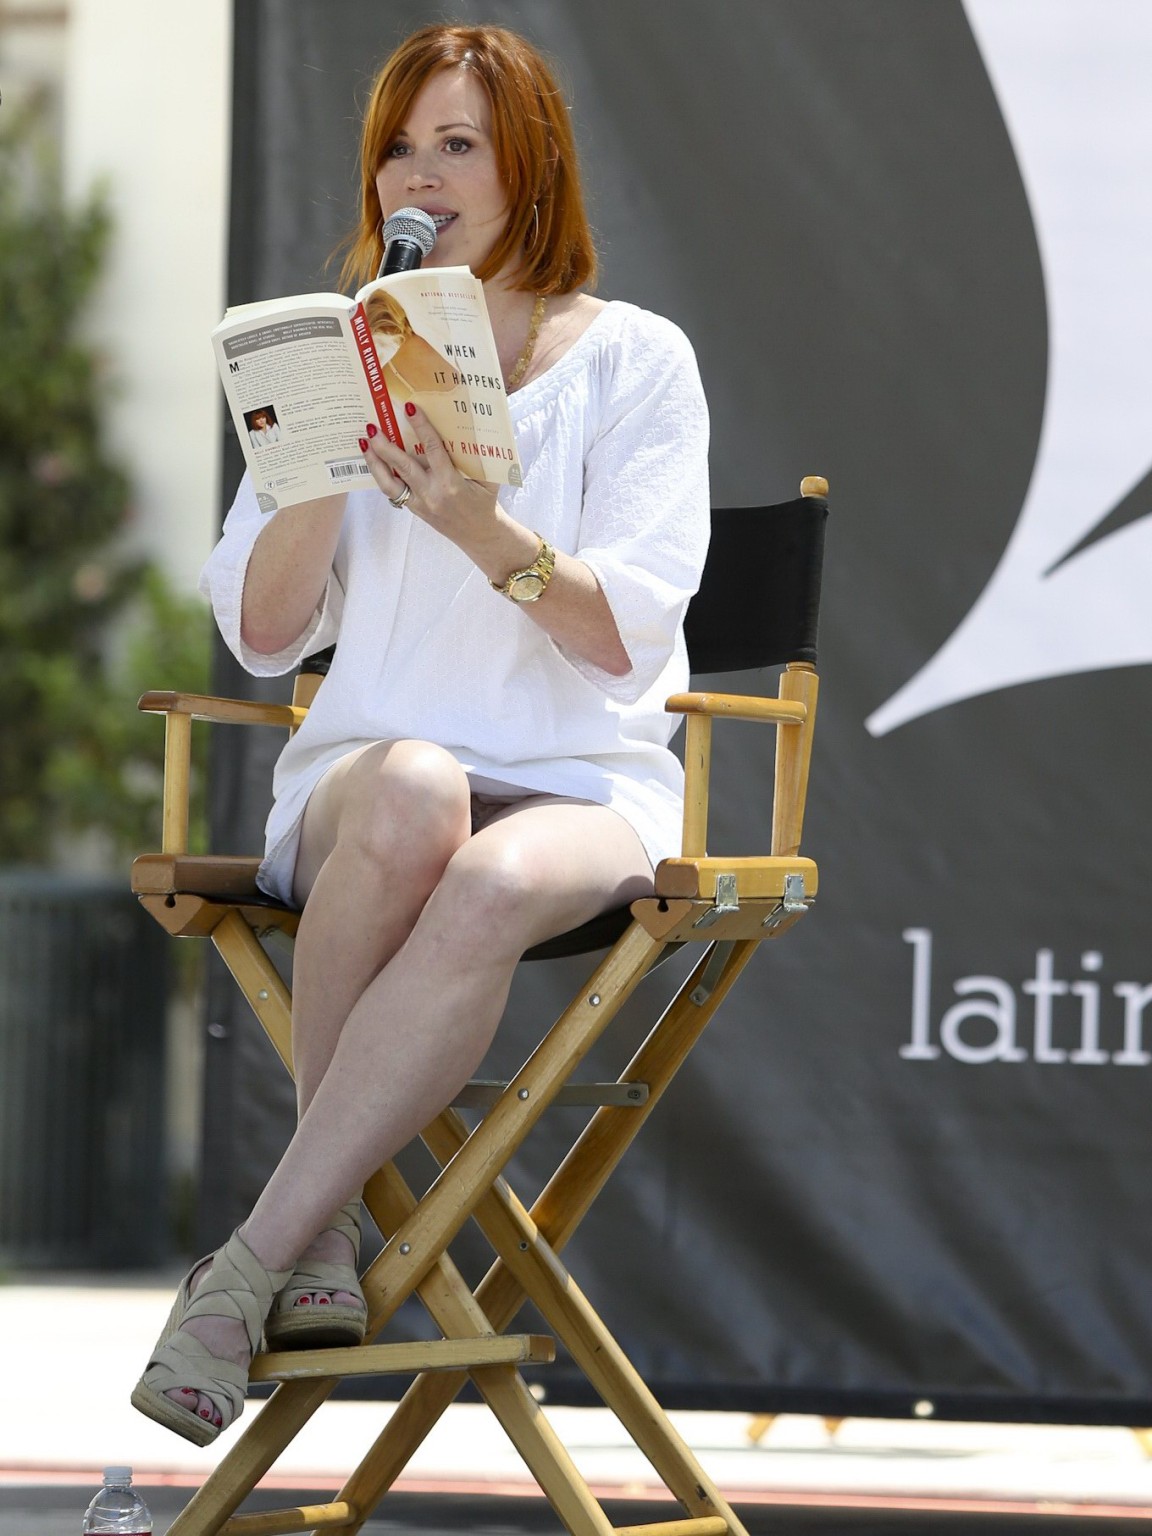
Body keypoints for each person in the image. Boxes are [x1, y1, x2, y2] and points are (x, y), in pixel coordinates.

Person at [132, 21, 709, 1446]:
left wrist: (478, 527)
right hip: (374, 778)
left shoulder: (636, 361)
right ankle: (309, 1240)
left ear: (531, 164)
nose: (423, 174)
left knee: (493, 872)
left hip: (584, 782)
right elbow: (265, 636)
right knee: (413, 796)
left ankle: (265, 1253)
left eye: (459, 143)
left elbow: (627, 637)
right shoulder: (329, 348)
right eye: (401, 144)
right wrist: (322, 466)